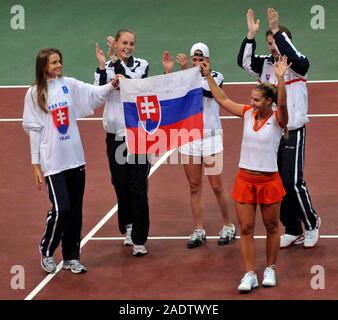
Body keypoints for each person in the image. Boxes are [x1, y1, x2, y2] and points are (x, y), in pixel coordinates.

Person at [201, 55, 290, 292]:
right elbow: (222, 99)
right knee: (247, 228)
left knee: (272, 227)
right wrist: (208, 75)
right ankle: (249, 273)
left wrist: (281, 79)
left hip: (269, 180)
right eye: (251, 99)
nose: (252, 103)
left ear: (268, 101)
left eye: (257, 100)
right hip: (245, 179)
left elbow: (282, 104)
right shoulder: (247, 113)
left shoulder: (278, 119)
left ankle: (270, 268)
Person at [22, 48, 116, 273]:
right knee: (62, 208)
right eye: (54, 62)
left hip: (75, 159)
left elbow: (95, 94)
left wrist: (112, 85)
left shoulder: (70, 85)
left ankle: (72, 256)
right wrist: (36, 164)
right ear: (43, 65)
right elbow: (34, 130)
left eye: (59, 61)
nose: (58, 65)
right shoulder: (34, 93)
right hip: (54, 163)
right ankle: (46, 250)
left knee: (75, 211)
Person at [237, 8, 320, 248]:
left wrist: (276, 29)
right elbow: (243, 61)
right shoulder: (265, 65)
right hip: (272, 133)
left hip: (293, 129)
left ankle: (312, 223)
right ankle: (293, 229)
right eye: (269, 43)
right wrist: (250, 36)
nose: (272, 46)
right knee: (276, 182)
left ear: (286, 43)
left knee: (292, 181)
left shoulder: (297, 65)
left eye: (275, 42)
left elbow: (298, 59)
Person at [162, 43, 236, 249]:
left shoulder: (216, 77)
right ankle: (199, 229)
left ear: (208, 60)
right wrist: (169, 72)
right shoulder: (184, 77)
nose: (197, 63)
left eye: (200, 59)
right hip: (189, 136)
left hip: (210, 137)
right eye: (194, 59)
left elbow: (208, 92)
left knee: (216, 185)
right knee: (194, 187)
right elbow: (168, 93)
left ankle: (229, 226)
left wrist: (190, 74)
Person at [95, 29, 150, 256]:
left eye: (131, 43)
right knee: (120, 184)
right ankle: (126, 226)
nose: (128, 46)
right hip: (115, 136)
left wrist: (116, 61)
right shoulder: (107, 67)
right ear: (116, 43)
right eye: (124, 42)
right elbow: (98, 93)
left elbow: (131, 86)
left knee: (138, 186)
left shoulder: (142, 65)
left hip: (137, 135)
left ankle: (139, 238)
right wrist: (102, 67)